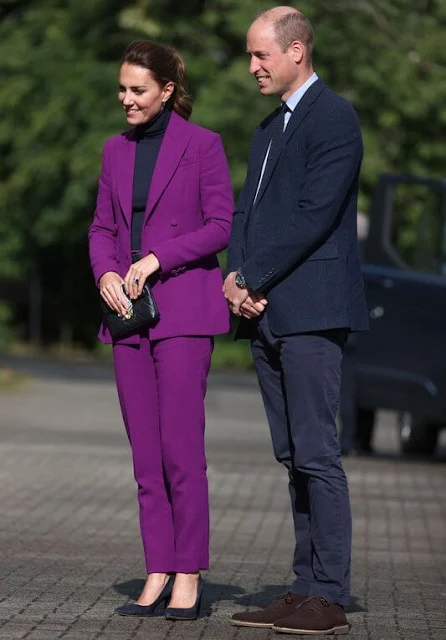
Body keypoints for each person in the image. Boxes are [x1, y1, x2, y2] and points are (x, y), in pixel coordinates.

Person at [223, 6, 368, 636]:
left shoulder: (334, 119)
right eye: (251, 55)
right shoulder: (265, 129)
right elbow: (244, 215)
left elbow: (312, 216)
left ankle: (329, 597)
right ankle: (304, 584)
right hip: (268, 311)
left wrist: (252, 277)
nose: (252, 66)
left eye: (261, 55)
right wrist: (234, 278)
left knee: (317, 454)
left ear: (297, 51)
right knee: (291, 454)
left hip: (311, 312)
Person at [88, 39, 234, 620]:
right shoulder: (113, 150)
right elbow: (101, 226)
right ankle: (157, 567)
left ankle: (189, 573)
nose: (126, 99)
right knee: (145, 455)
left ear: (167, 91)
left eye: (137, 90)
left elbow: (221, 224)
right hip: (128, 315)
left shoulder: (203, 146)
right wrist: (104, 271)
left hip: (183, 313)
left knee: (180, 451)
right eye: (122, 89)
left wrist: (156, 259)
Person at [339, 212, 376, 456]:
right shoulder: (372, 255)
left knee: (346, 389)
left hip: (345, 328)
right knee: (363, 387)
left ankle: (347, 439)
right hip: (367, 327)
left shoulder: (344, 249)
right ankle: (361, 439)